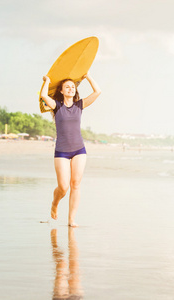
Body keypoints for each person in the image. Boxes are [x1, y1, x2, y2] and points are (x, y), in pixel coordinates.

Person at [41, 73, 101, 227]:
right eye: (67, 87)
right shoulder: (56, 105)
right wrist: (47, 81)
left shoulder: (79, 105)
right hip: (61, 151)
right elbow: (43, 95)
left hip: (79, 149)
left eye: (73, 87)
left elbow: (97, 92)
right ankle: (55, 203)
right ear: (61, 91)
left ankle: (71, 219)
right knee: (63, 187)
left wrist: (87, 77)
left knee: (75, 184)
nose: (70, 89)